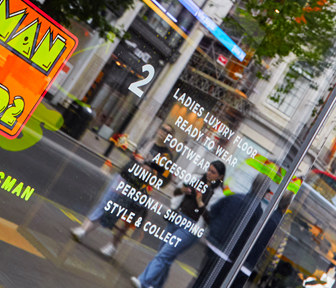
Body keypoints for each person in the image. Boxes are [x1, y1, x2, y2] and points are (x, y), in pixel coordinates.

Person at [72, 122, 177, 257]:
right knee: (105, 203)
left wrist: (151, 172)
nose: (164, 133)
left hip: (139, 188)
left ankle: (113, 245)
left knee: (124, 219)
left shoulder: (167, 156)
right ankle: (83, 231)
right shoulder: (147, 142)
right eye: (163, 129)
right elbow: (134, 157)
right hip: (124, 177)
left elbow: (164, 180)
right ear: (158, 129)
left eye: (168, 132)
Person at [131, 160, 226, 288]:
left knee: (165, 254)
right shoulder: (196, 178)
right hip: (177, 217)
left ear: (220, 176)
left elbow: (210, 219)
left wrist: (200, 202)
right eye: (208, 170)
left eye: (213, 172)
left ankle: (143, 282)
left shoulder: (219, 195)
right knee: (164, 254)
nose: (209, 173)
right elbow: (176, 193)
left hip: (191, 227)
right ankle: (156, 285)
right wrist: (183, 190)